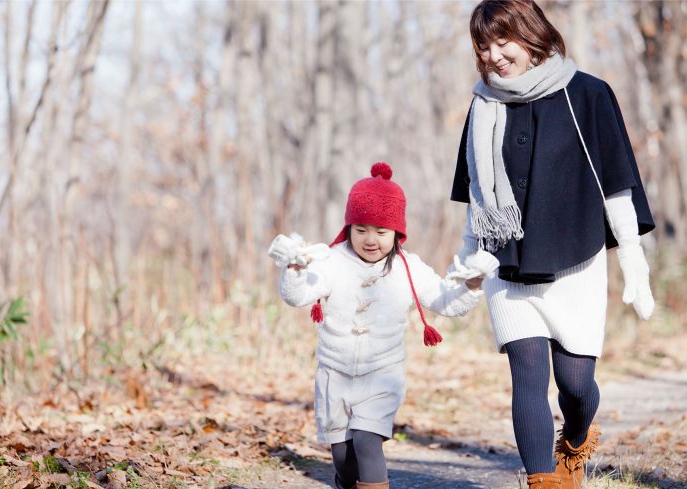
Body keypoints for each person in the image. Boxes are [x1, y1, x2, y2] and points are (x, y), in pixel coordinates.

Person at [450, 1, 656, 488]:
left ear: (531, 33)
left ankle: (577, 439)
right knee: (526, 374)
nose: (494, 56)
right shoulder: (484, 105)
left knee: (576, 386)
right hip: (508, 264)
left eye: (503, 42)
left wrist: (633, 258)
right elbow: (477, 195)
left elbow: (617, 183)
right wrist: (467, 262)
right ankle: (542, 481)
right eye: (484, 47)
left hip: (576, 261)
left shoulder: (587, 93)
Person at [269, 162, 498, 489]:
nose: (370, 240)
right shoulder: (331, 261)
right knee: (344, 461)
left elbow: (444, 301)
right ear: (349, 228)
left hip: (382, 373)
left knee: (366, 439)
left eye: (381, 231)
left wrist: (470, 285)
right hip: (334, 375)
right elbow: (298, 296)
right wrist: (293, 269)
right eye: (361, 230)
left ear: (397, 233)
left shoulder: (409, 268)